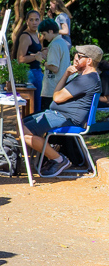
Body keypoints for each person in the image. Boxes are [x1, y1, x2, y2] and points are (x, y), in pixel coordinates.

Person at [22, 45, 103, 177]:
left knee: (23, 130)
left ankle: (59, 160)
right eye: (76, 54)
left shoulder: (87, 79)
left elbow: (57, 97)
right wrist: (66, 74)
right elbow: (57, 93)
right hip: (59, 115)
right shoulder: (83, 76)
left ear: (89, 61)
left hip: (66, 117)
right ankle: (50, 155)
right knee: (22, 125)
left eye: (79, 56)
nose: (75, 58)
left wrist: (65, 79)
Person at [39, 19, 71, 111]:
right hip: (59, 87)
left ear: (51, 31)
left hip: (52, 89)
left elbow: (54, 68)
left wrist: (41, 60)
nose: (43, 37)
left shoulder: (54, 45)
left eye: (44, 34)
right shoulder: (61, 42)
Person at [15, 10, 46, 99]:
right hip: (30, 73)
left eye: (36, 20)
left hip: (37, 72)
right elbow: (20, 59)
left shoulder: (36, 34)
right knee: (35, 105)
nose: (34, 23)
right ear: (27, 22)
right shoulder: (26, 36)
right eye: (31, 20)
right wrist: (35, 57)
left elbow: (34, 52)